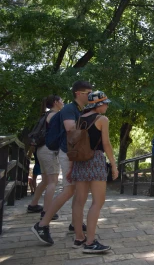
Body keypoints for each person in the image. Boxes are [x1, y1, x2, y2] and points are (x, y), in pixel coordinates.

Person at [32, 81, 93, 245]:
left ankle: (75, 223)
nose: (91, 95)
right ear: (79, 93)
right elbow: (70, 129)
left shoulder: (79, 109)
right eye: (88, 92)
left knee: (75, 189)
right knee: (68, 190)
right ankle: (42, 224)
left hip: (75, 154)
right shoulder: (69, 109)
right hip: (69, 154)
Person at [69, 91, 118, 253]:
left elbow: (74, 143)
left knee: (79, 201)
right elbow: (106, 144)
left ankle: (79, 237)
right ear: (98, 104)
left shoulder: (80, 119)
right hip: (95, 160)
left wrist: (70, 168)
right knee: (98, 202)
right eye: (105, 103)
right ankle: (90, 243)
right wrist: (114, 164)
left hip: (79, 161)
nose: (107, 106)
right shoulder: (102, 119)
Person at [27, 95, 64, 220]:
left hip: (41, 150)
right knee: (52, 181)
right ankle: (47, 211)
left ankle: (33, 205)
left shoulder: (45, 115)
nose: (63, 102)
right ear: (55, 102)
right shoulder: (54, 116)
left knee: (45, 180)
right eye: (61, 100)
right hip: (50, 150)